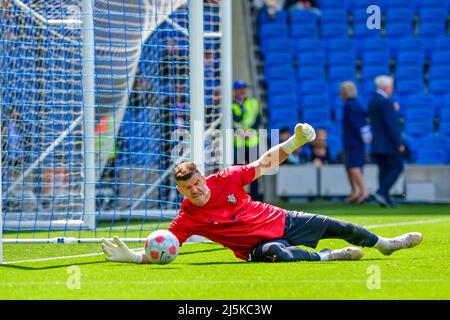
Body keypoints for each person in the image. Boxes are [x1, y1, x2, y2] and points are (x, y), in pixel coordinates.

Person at [101, 123, 423, 264]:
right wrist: (135, 257)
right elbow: (167, 247)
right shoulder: (187, 217)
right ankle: (328, 257)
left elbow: (263, 163)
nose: (195, 191)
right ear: (180, 191)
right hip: (257, 246)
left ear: (203, 176)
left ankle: (386, 245)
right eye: (187, 189)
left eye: (196, 183)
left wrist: (293, 143)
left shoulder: (225, 179)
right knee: (279, 256)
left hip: (280, 220)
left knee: (338, 225)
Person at [368, 76, 405, 208]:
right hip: (388, 144)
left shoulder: (373, 100)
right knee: (397, 167)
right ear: (387, 87)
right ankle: (382, 192)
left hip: (377, 144)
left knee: (384, 170)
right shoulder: (385, 102)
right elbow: (391, 125)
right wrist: (398, 143)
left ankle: (385, 197)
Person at [232, 79, 262, 201]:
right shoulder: (231, 105)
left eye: (244, 88)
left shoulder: (253, 103)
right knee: (237, 172)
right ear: (235, 90)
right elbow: (230, 120)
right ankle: (238, 198)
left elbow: (258, 119)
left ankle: (254, 200)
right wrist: (238, 131)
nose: (242, 90)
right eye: (239, 88)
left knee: (254, 172)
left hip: (252, 140)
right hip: (238, 141)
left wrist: (250, 130)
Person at [341, 81, 370, 204]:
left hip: (354, 141)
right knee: (350, 166)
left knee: (354, 167)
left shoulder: (349, 106)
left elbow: (355, 125)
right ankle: (355, 192)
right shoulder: (357, 105)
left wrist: (361, 139)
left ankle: (363, 192)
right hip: (356, 140)